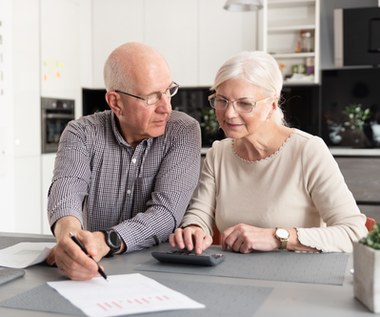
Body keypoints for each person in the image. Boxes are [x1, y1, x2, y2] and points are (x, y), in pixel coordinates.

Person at [169, 51, 368, 255]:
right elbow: (200, 214)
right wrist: (193, 228)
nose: (229, 113)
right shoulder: (218, 153)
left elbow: (354, 233)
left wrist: (277, 237)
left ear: (272, 105)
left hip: (297, 281)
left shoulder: (308, 150)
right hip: (236, 278)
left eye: (245, 104)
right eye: (222, 100)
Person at [46, 42, 202, 280]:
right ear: (116, 102)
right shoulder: (81, 133)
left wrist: (105, 240)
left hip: (164, 272)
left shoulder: (183, 131)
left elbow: (165, 213)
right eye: (151, 97)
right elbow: (67, 191)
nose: (166, 108)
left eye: (169, 91)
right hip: (97, 271)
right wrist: (70, 239)